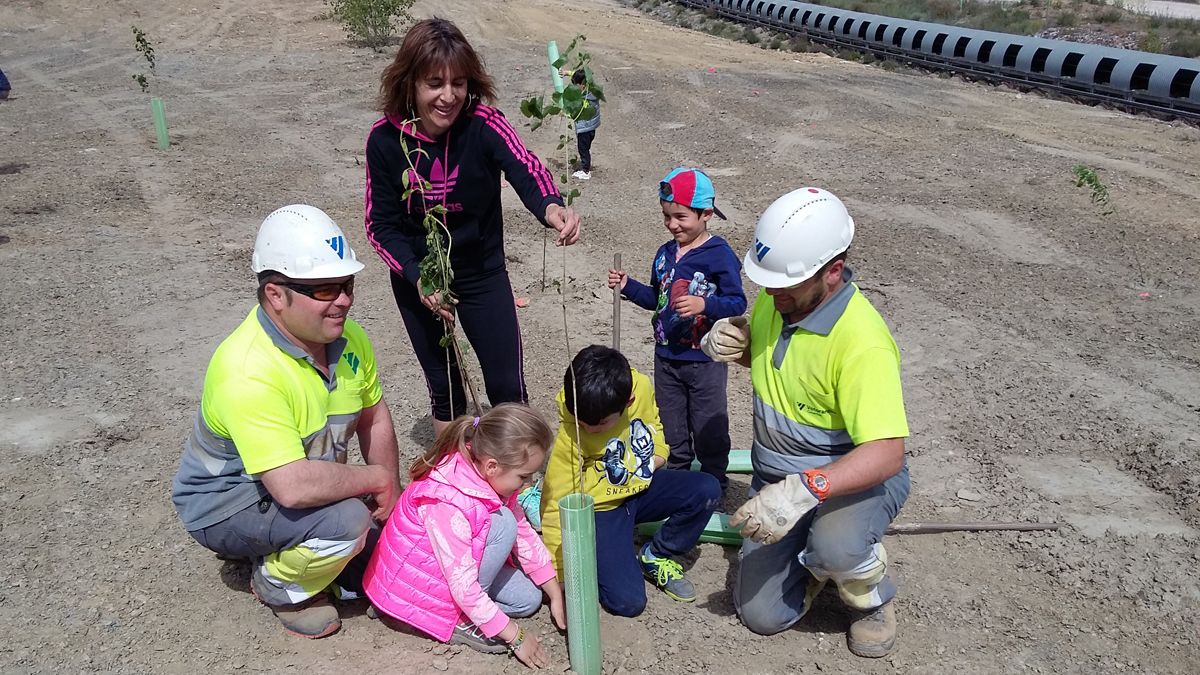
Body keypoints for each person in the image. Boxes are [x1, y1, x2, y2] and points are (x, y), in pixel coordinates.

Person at [171, 204, 402, 639]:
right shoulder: (247, 370)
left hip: (288, 482)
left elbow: (374, 415)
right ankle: (282, 586)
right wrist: (372, 480)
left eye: (348, 284)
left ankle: (290, 546)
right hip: (225, 502)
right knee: (348, 522)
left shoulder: (350, 339)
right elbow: (293, 488)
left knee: (378, 531)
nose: (345, 299)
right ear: (276, 294)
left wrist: (389, 487)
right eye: (325, 289)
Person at [701, 187, 910, 658]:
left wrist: (804, 490)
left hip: (850, 480)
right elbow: (787, 366)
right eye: (766, 283)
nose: (770, 293)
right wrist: (735, 342)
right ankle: (818, 564)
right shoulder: (784, 302)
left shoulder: (862, 343)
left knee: (837, 544)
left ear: (832, 272)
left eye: (783, 285)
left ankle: (867, 593)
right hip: (778, 478)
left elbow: (887, 453)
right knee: (762, 616)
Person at [364, 18, 581, 438]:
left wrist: (552, 206)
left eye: (459, 83)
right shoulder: (386, 140)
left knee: (507, 387)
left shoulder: (484, 123)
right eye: (435, 83)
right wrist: (417, 278)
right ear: (410, 83)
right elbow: (380, 226)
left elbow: (525, 168)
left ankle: (518, 486)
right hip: (421, 279)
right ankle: (456, 481)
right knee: (445, 388)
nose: (449, 96)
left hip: (482, 273)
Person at [363, 404, 565, 669]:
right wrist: (516, 636)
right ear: (492, 466)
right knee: (503, 525)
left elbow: (524, 533)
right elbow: (463, 584)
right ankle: (456, 618)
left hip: (447, 571)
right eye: (524, 476)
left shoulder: (491, 476)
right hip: (415, 588)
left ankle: (474, 611)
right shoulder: (447, 500)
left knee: (528, 599)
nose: (527, 484)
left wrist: (553, 590)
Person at [539, 345, 721, 617]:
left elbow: (654, 428)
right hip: (602, 509)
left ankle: (657, 554)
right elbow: (557, 504)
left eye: (599, 424)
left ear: (629, 401)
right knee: (627, 603)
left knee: (706, 489)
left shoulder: (642, 389)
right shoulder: (572, 431)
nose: (588, 428)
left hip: (641, 489)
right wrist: (562, 576)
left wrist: (656, 457)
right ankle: (611, 543)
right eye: (581, 420)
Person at [608, 168, 746, 490]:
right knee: (672, 426)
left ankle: (713, 481)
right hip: (667, 357)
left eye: (681, 217)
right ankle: (680, 480)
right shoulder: (665, 254)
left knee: (708, 425)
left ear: (706, 214)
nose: (672, 225)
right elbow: (658, 299)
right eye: (667, 216)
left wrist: (705, 305)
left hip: (705, 361)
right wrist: (629, 286)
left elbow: (737, 302)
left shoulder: (719, 255)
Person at [570, 69, 600, 180]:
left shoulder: (585, 100)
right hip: (591, 127)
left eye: (576, 85)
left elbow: (578, 112)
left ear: (582, 85)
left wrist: (568, 114)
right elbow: (579, 75)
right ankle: (585, 167)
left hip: (585, 128)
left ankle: (585, 171)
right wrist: (567, 72)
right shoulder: (592, 91)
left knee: (583, 149)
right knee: (586, 147)